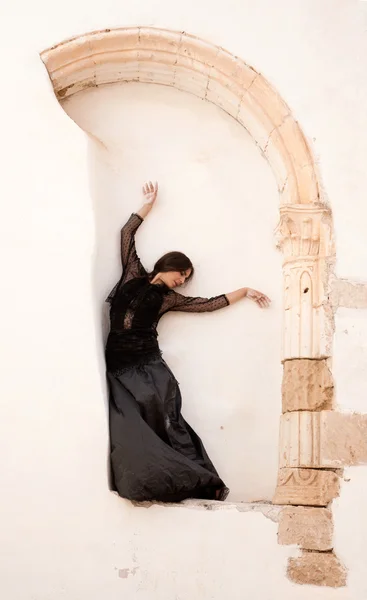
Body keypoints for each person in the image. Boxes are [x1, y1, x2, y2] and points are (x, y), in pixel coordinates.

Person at [106, 181, 271, 503]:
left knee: (167, 417)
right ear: (168, 265)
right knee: (133, 423)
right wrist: (147, 205)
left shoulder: (169, 299)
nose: (182, 280)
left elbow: (209, 303)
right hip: (118, 362)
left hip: (148, 363)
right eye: (181, 273)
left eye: (185, 278)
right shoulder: (132, 274)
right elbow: (126, 233)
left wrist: (245, 290)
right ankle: (154, 478)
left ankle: (196, 478)